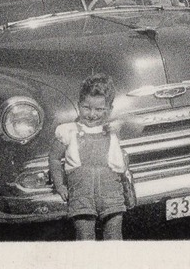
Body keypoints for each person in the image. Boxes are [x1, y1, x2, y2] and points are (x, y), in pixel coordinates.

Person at [49, 73, 135, 240]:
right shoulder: (69, 130)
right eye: (86, 107)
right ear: (79, 104)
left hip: (112, 193)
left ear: (109, 109)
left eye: (99, 109)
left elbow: (138, 126)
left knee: (114, 236)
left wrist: (121, 121)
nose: (92, 114)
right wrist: (59, 185)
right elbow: (53, 158)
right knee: (85, 237)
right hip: (81, 195)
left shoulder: (112, 130)